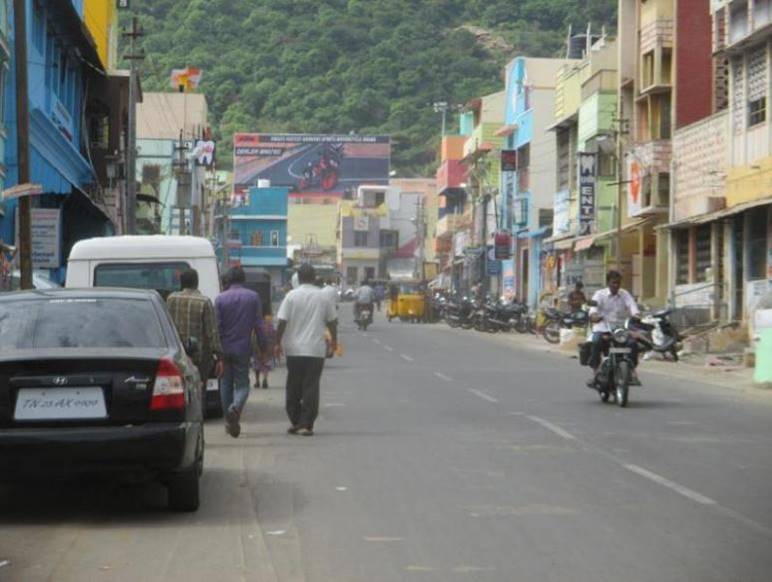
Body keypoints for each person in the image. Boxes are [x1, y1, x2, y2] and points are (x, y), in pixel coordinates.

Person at [275, 264, 338, 436]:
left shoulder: (291, 296)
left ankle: (297, 421)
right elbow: (332, 322)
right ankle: (305, 424)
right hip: (315, 350)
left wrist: (276, 343)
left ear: (299, 277)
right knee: (311, 387)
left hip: (294, 350)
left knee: (293, 386)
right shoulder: (323, 297)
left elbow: (281, 322)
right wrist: (334, 343)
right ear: (314, 277)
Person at [215, 266, 264, 438]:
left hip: (224, 349)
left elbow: (217, 328)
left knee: (225, 384)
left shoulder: (220, 299)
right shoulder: (253, 297)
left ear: (228, 280)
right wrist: (263, 347)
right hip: (243, 348)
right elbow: (259, 325)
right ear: (244, 280)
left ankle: (229, 421)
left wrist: (218, 352)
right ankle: (234, 409)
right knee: (242, 384)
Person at [167, 268, 224, 385]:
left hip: (176, 355)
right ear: (196, 283)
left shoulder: (171, 299)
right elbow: (212, 332)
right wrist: (219, 357)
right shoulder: (204, 302)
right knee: (198, 389)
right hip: (200, 358)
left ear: (181, 282)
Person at [587, 270, 641, 387]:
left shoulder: (624, 294)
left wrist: (636, 315)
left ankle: (631, 370)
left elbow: (632, 305)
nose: (616, 285)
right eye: (613, 283)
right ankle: (595, 372)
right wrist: (594, 316)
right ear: (608, 283)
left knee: (633, 344)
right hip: (603, 328)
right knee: (596, 342)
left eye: (618, 283)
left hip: (620, 330)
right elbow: (593, 310)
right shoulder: (599, 295)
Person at [253, 311, 276, 389]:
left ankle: (257, 381)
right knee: (265, 365)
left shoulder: (258, 326)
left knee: (257, 365)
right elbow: (274, 338)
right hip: (266, 348)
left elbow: (253, 337)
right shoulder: (272, 327)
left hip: (259, 347)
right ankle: (264, 379)